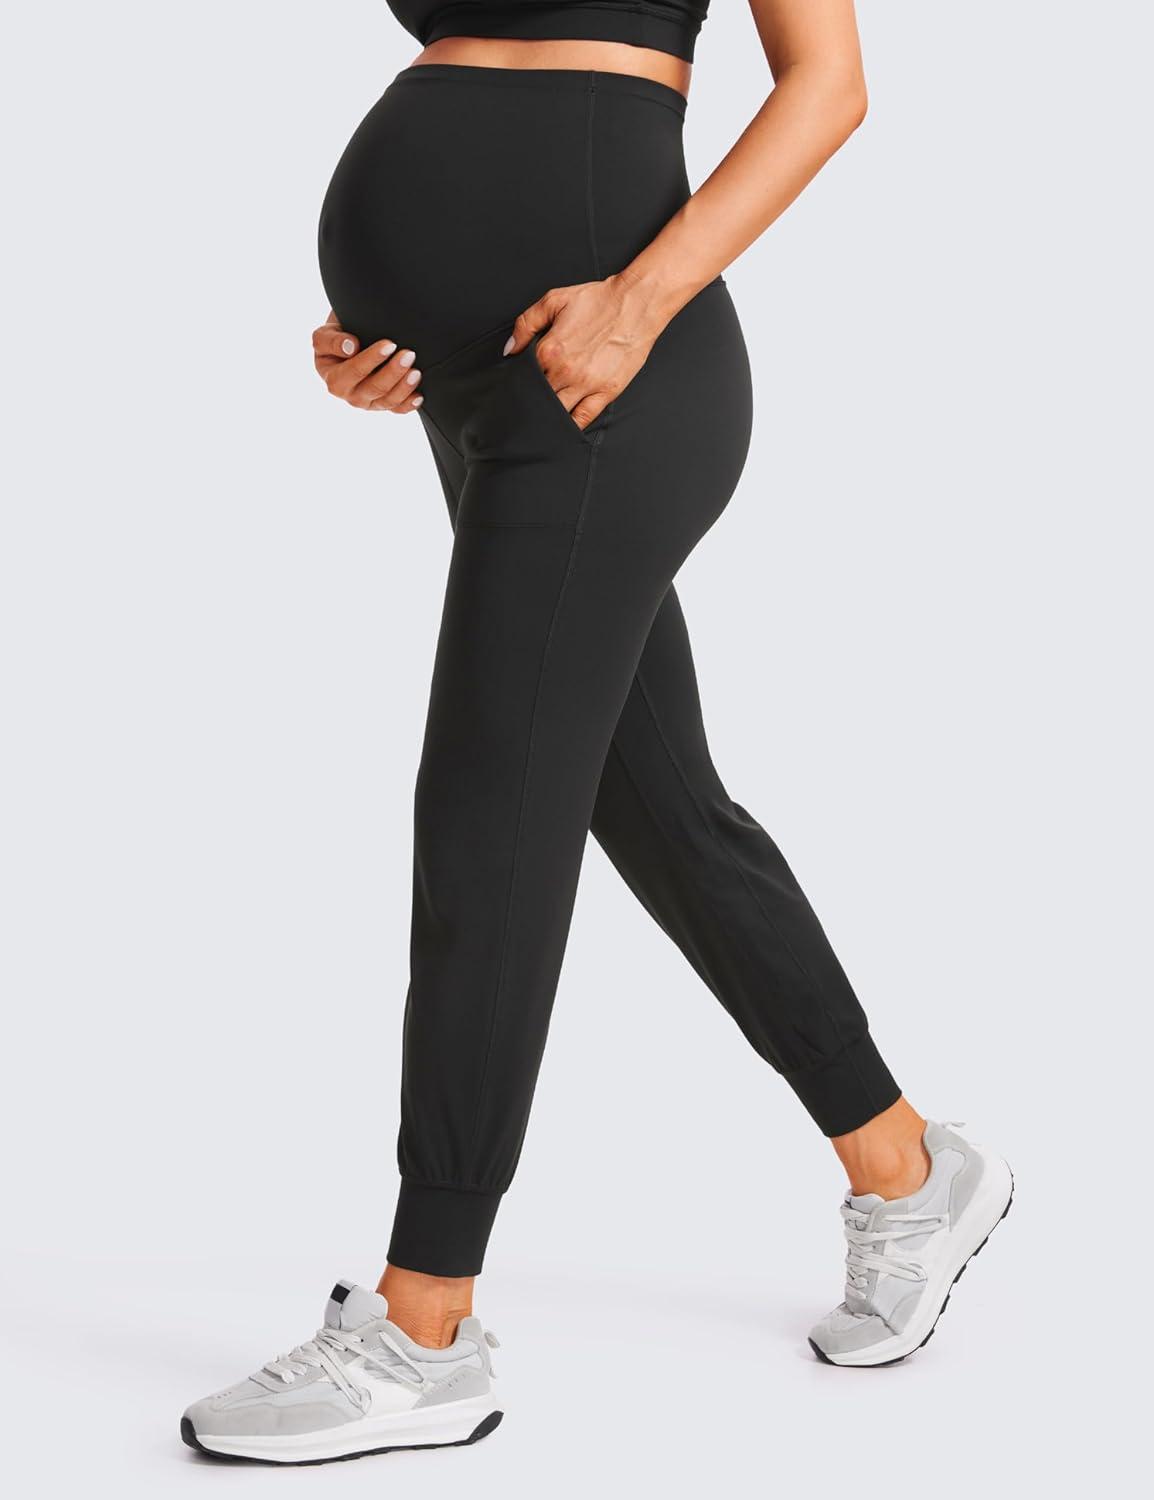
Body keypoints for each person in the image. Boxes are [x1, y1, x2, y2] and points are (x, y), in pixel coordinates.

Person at [181, 0, 1012, 1466]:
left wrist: (640, 300)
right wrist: (373, 327)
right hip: (477, 390)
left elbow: (829, 83)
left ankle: (425, 1328)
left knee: (488, 809)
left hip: (616, 376)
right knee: (661, 809)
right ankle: (905, 1165)